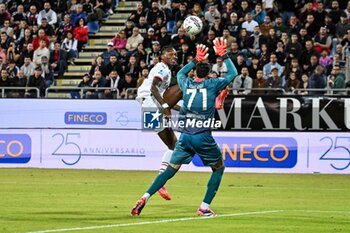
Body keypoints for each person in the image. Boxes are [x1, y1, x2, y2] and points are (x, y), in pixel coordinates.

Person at [131, 38, 238, 217]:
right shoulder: (212, 84)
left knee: (172, 161)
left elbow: (182, 72)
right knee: (218, 168)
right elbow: (232, 73)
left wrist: (195, 60)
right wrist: (224, 55)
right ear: (210, 74)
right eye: (171, 54)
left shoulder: (186, 83)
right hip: (200, 134)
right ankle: (204, 207)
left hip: (185, 136)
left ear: (194, 72)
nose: (173, 57)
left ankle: (145, 196)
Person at [135, 46, 181, 201]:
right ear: (163, 56)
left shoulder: (166, 70)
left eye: (175, 55)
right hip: (149, 104)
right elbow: (154, 88)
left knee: (174, 145)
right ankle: (161, 180)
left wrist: (181, 108)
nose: (173, 57)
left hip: (149, 104)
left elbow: (161, 95)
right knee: (175, 145)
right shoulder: (162, 68)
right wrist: (165, 105)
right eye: (170, 54)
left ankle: (161, 179)